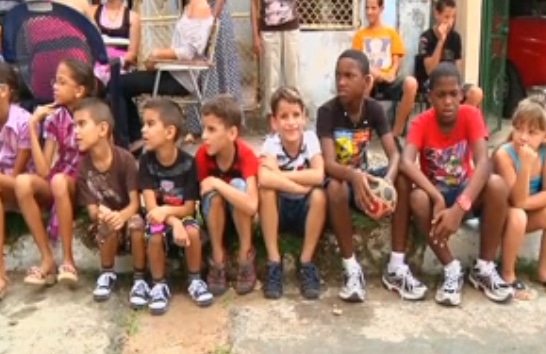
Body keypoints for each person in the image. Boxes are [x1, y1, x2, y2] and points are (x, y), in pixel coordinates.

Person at [387, 62, 513, 306]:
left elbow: (484, 165)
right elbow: (405, 162)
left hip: (465, 193)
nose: (448, 101)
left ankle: (484, 268)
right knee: (417, 198)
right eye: (441, 95)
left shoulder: (470, 115)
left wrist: (460, 208)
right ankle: (451, 267)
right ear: (430, 97)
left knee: (497, 185)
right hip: (438, 202)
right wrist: (436, 196)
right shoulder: (421, 123)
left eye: (454, 94)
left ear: (462, 95)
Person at [316, 50, 400, 302]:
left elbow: (394, 155)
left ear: (366, 82)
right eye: (338, 75)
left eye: (349, 76)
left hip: (363, 175)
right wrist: (353, 176)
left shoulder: (374, 109)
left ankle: (398, 265)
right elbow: (329, 164)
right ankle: (351, 268)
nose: (341, 82)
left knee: (405, 175)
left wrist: (388, 182)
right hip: (343, 178)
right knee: (335, 188)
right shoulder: (327, 112)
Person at [15, 59, 95, 287]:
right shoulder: (55, 118)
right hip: (59, 181)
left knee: (59, 181)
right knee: (23, 182)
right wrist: (33, 127)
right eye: (54, 81)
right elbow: (43, 171)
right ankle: (47, 259)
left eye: (61, 82)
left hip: (84, 183)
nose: (54, 87)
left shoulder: (93, 115)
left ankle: (69, 260)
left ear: (79, 89)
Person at [140, 98, 213, 315]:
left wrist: (173, 216)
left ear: (170, 132)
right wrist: (171, 219)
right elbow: (153, 209)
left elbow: (189, 208)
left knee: (192, 229)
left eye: (150, 124)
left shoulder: (189, 164)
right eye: (144, 124)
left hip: (182, 216)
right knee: (154, 235)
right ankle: (159, 284)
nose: (144, 129)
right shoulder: (146, 161)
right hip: (158, 219)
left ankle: (194, 279)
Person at [74, 98, 146, 305]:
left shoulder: (125, 160)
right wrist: (105, 215)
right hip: (105, 223)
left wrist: (121, 216)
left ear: (102, 129)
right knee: (105, 223)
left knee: (136, 224)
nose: (76, 132)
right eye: (74, 126)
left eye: (81, 124)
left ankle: (140, 278)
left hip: (129, 216)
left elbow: (135, 203)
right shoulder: (84, 168)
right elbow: (92, 211)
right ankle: (107, 273)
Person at [116, 0, 214, 151]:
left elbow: (189, 52)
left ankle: (123, 144)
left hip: (180, 77)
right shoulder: (189, 6)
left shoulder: (200, 7)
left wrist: (157, 54)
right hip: (171, 70)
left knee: (119, 85)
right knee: (121, 83)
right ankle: (134, 138)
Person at [258, 87, 325, 300]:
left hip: (305, 212)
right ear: (274, 122)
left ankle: (306, 262)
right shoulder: (271, 144)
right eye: (284, 116)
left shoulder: (311, 139)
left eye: (296, 115)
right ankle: (274, 262)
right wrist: (298, 185)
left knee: (319, 196)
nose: (291, 122)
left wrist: (280, 174)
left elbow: (318, 175)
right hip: (279, 210)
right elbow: (264, 179)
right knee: (267, 192)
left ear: (304, 117)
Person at [196, 94, 258, 296]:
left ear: (232, 133)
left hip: (242, 216)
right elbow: (201, 198)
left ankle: (245, 254)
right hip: (214, 216)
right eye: (204, 128)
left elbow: (251, 205)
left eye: (211, 129)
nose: (204, 136)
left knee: (238, 184)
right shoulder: (203, 156)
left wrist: (216, 182)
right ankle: (218, 258)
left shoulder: (246, 155)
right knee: (214, 197)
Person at [494, 97, 546, 300]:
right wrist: (524, 165)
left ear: (544, 137)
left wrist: (526, 203)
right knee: (518, 216)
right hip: (502, 217)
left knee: (524, 214)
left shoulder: (543, 154)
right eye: (519, 129)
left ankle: (543, 271)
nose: (523, 137)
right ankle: (507, 274)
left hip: (526, 208)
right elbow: (515, 201)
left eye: (532, 132)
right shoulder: (504, 155)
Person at [352, 0, 418, 138]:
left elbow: (396, 60)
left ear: (381, 9)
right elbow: (357, 62)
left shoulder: (391, 33)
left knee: (411, 83)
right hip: (368, 79)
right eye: (367, 8)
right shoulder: (360, 35)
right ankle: (362, 130)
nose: (369, 12)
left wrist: (391, 74)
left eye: (373, 8)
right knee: (367, 78)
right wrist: (374, 73)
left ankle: (396, 132)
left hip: (388, 79)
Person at [184, 0, 245, 144]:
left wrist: (211, 20)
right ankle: (196, 127)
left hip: (217, 18)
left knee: (223, 69)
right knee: (198, 71)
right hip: (198, 15)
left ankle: (230, 123)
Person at [0, 63, 34, 298]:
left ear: (4, 91)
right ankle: (1, 273)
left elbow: (17, 174)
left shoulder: (23, 121)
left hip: (22, 187)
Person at [416, 0, 483, 107]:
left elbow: (457, 68)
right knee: (440, 93)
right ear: (437, 14)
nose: (450, 22)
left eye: (453, 17)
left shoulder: (456, 38)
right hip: (432, 81)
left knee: (476, 93)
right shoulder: (426, 38)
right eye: (446, 17)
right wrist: (441, 41)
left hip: (451, 80)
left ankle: (457, 119)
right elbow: (430, 70)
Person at [250, 0, 300, 121]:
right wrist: (255, 36)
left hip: (291, 28)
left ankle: (295, 119)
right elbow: (254, 6)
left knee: (293, 78)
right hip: (268, 31)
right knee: (270, 81)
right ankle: (273, 124)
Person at [89, 0, 141, 70]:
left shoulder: (133, 17)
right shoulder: (92, 11)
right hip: (95, 65)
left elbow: (132, 53)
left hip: (120, 69)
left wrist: (113, 62)